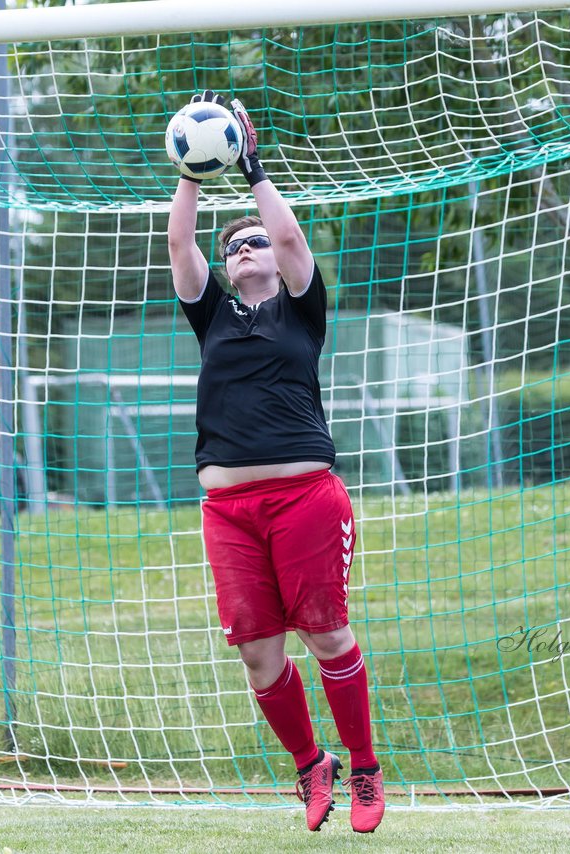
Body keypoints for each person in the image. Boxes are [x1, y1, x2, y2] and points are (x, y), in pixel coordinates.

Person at [166, 90, 384, 834]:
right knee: (259, 655)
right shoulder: (214, 317)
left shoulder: (302, 309)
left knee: (326, 634)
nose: (246, 249)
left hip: (305, 497)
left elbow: (293, 244)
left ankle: (363, 767)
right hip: (228, 509)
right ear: (227, 271)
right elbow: (179, 248)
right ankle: (309, 766)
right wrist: (193, 169)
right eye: (236, 247)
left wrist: (252, 165)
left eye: (254, 240)